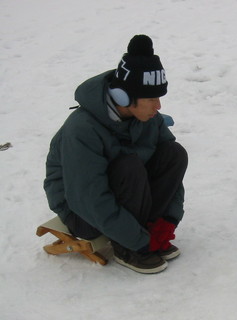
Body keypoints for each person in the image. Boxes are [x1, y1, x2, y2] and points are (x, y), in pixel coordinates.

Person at [44, 35, 188, 274]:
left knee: (174, 153)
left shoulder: (149, 119)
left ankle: (145, 228)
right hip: (80, 210)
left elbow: (173, 175)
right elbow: (87, 199)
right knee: (129, 166)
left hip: (126, 193)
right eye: (151, 98)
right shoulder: (82, 130)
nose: (158, 106)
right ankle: (126, 245)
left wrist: (167, 221)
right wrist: (137, 241)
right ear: (123, 97)